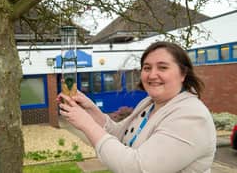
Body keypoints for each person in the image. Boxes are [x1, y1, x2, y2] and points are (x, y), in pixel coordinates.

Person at [57, 41, 216, 173]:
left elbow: (138, 168)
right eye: (147, 68)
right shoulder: (148, 103)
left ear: (183, 74)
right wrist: (90, 108)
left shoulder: (192, 116)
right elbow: (119, 136)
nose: (152, 75)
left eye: (162, 67)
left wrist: (86, 124)